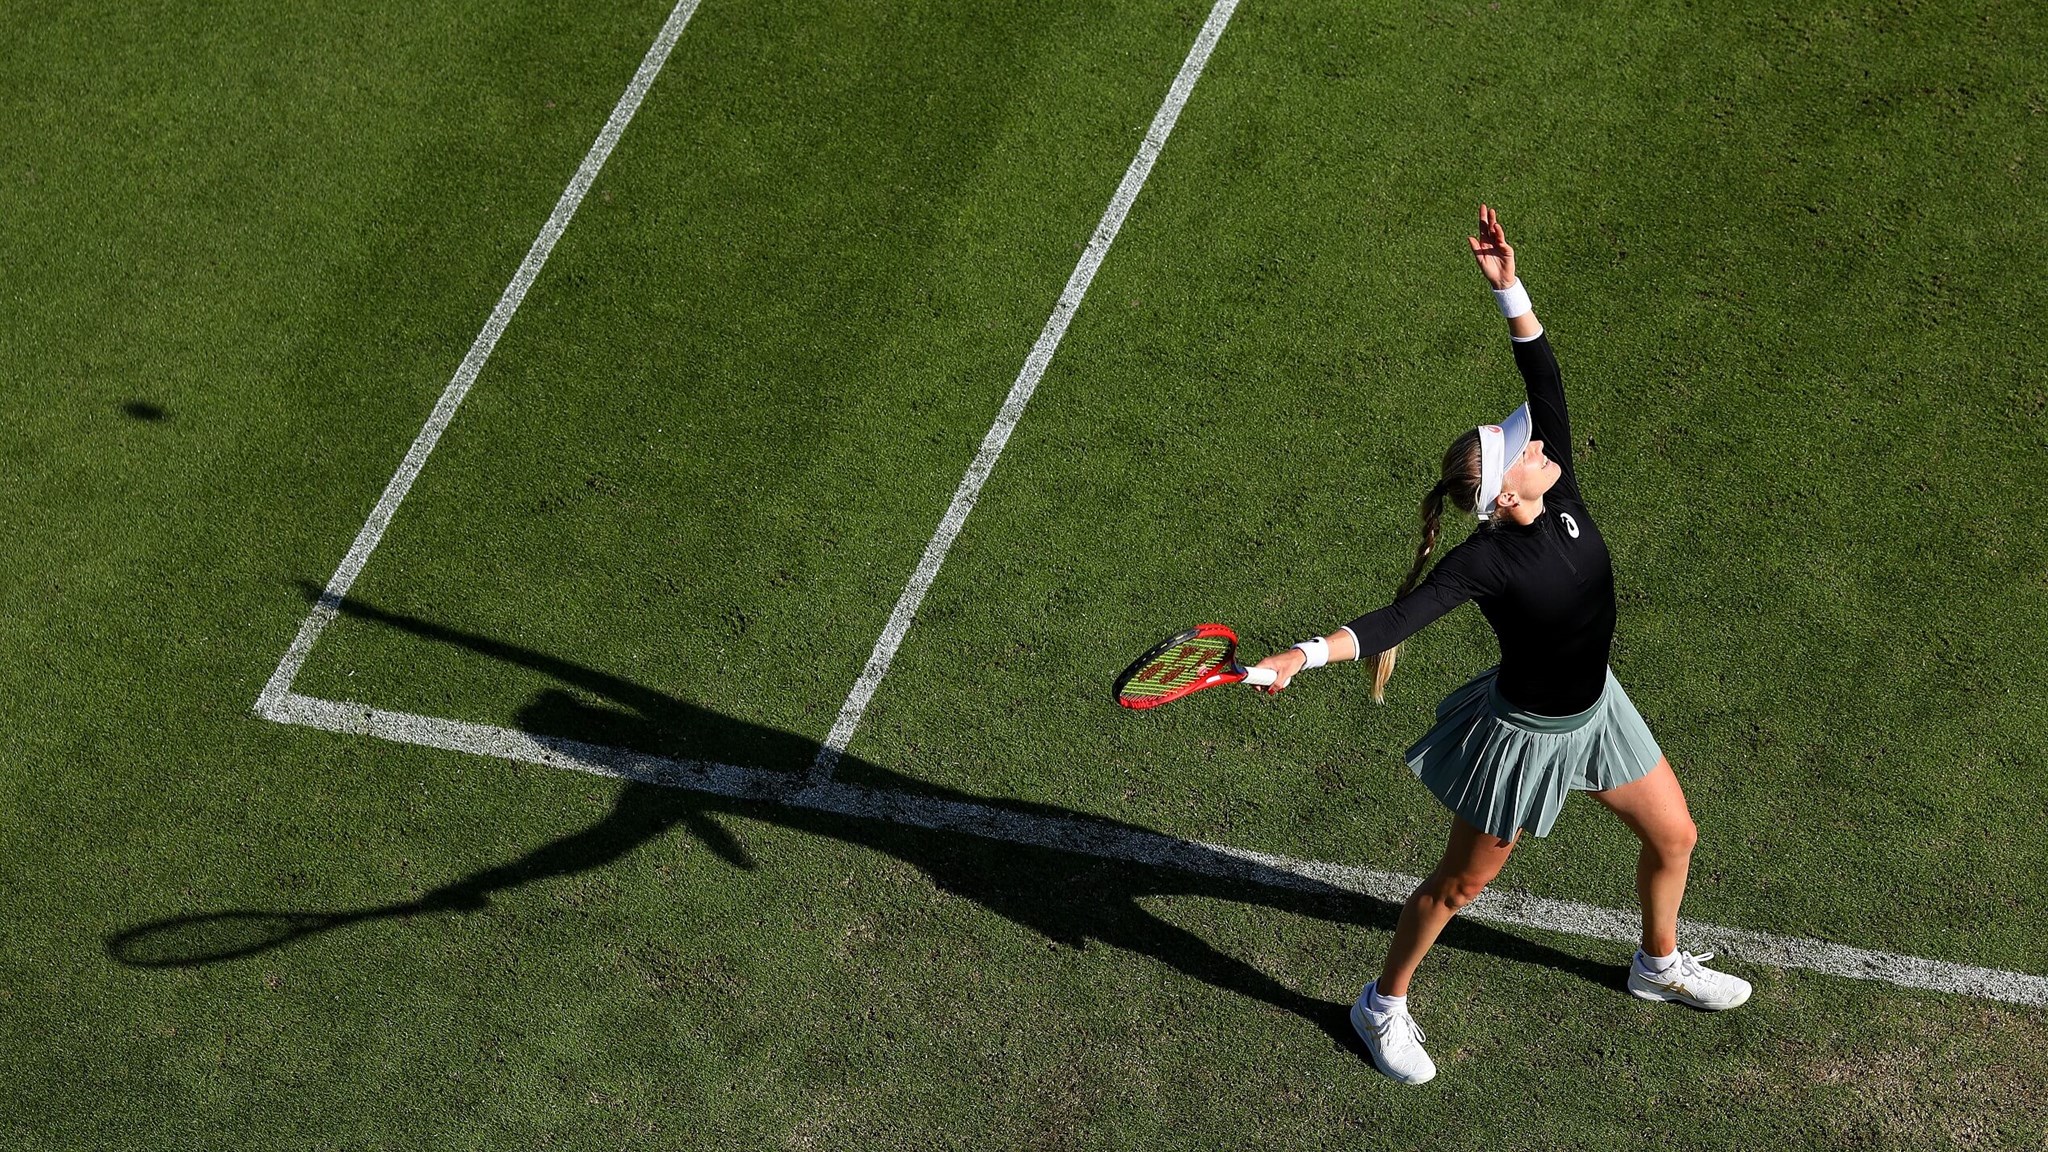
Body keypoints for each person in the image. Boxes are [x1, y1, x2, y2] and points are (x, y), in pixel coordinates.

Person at [1253, 205, 1749, 1085]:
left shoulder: (1556, 483)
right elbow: (1391, 624)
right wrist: (1299, 655)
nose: (1543, 438)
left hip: (1600, 710)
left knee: (1677, 836)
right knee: (1458, 888)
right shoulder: (1486, 562)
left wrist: (1507, 286)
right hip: (1524, 738)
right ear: (1506, 497)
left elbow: (1543, 371)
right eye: (1527, 448)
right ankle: (1380, 1004)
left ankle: (1657, 964)